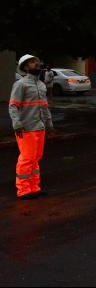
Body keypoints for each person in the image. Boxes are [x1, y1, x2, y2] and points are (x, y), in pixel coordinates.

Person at [8, 54, 54, 200]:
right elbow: (13, 106)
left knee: (36, 158)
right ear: (26, 67)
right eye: (33, 62)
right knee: (27, 159)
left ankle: (34, 187)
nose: (37, 64)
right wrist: (16, 123)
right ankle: (23, 190)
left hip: (39, 127)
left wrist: (49, 123)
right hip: (25, 128)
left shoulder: (41, 85)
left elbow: (44, 107)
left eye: (37, 62)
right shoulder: (21, 84)